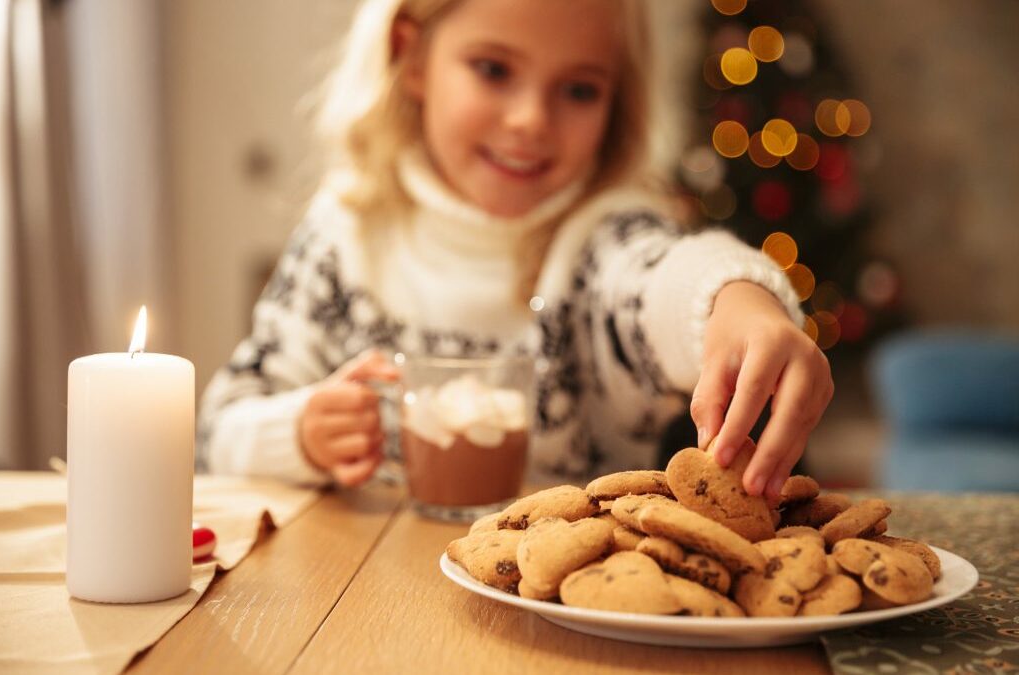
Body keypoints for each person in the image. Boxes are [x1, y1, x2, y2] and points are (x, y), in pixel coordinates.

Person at [197, 0, 833, 501]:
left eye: (578, 90)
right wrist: (300, 433)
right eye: (493, 70)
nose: (531, 119)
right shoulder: (344, 234)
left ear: (617, 104)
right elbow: (218, 432)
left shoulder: (597, 243)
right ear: (410, 57)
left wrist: (739, 304)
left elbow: (660, 279)